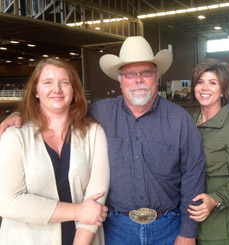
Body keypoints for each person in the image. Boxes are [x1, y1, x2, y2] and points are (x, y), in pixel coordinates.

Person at [0, 36, 205, 245]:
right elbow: (56, 106)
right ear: (120, 80)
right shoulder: (100, 112)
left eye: (146, 73)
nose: (138, 80)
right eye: (130, 74)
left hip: (167, 227)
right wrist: (20, 116)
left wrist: (188, 234)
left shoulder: (180, 119)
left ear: (157, 77)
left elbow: (193, 176)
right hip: (117, 229)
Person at [0, 58, 110, 245]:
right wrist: (78, 211)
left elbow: (96, 197)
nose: (56, 89)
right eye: (47, 82)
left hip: (83, 239)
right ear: (36, 91)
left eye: (64, 83)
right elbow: (8, 202)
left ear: (74, 91)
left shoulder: (93, 132)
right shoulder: (15, 136)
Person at [186, 59, 229, 244]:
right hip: (187, 221)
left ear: (224, 90)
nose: (204, 88)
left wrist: (215, 199)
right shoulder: (188, 124)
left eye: (212, 83)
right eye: (200, 82)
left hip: (219, 226)